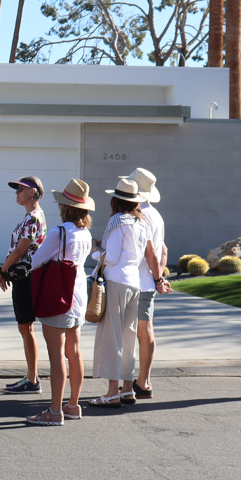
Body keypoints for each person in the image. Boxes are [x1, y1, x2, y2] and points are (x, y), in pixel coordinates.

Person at [26, 179, 96, 426]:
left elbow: (37, 261)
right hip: (77, 294)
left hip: (58, 295)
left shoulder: (60, 231)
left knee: (56, 355)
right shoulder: (85, 233)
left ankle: (55, 411)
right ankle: (73, 405)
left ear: (65, 206)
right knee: (74, 352)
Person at [89, 178, 150, 407]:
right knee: (128, 337)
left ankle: (112, 392)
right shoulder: (140, 222)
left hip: (116, 281)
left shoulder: (117, 221)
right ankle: (127, 388)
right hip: (135, 282)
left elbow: (111, 257)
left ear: (116, 200)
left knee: (111, 336)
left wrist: (96, 251)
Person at [0, 176, 47, 394]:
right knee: (25, 327)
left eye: (21, 189)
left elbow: (20, 251)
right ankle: (31, 376)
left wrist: (2, 270)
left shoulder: (32, 218)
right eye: (16, 189)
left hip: (26, 278)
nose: (16, 192)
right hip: (24, 276)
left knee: (26, 327)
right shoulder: (32, 217)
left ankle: (32, 379)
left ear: (33, 192)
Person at [123, 168, 170, 399]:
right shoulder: (157, 215)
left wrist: (157, 277)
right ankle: (143, 380)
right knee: (145, 331)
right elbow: (163, 251)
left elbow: (151, 252)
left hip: (139, 282)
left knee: (141, 332)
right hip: (147, 282)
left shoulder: (143, 215)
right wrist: (158, 278)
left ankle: (143, 382)